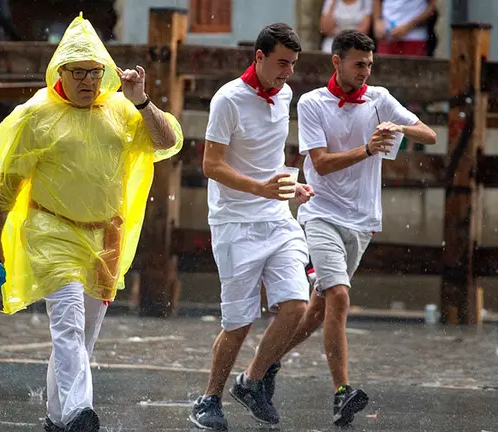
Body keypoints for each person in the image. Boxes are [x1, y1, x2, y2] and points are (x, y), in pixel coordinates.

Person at [0, 13, 183, 432]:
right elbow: (7, 182)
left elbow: (167, 142)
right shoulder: (38, 115)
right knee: (67, 324)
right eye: (79, 72)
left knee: (81, 341)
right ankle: (80, 413)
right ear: (60, 72)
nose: (88, 80)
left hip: (105, 237)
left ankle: (57, 417)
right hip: (51, 231)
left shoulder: (122, 112)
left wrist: (141, 99)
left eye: (95, 71)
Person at [263, 29, 437, 427]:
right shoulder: (312, 103)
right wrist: (368, 149)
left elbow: (429, 134)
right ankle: (343, 392)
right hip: (320, 213)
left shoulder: (380, 98)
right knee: (339, 296)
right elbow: (320, 163)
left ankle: (263, 368)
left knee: (318, 309)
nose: (365, 72)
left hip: (362, 222)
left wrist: (400, 130)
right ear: (336, 61)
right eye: (359, 64)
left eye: (370, 65)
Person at [188, 23, 315, 431]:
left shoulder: (286, 95)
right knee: (238, 323)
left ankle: (253, 380)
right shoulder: (228, 99)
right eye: (281, 63)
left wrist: (290, 185)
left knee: (296, 305)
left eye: (293, 64)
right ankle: (209, 399)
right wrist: (259, 188)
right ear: (258, 57)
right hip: (234, 223)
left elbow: (269, 157)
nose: (288, 73)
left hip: (277, 219)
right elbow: (211, 165)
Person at [372, 0, 437, 57]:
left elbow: (432, 7)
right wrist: (377, 21)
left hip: (414, 38)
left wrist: (408, 27)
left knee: (413, 70)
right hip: (386, 37)